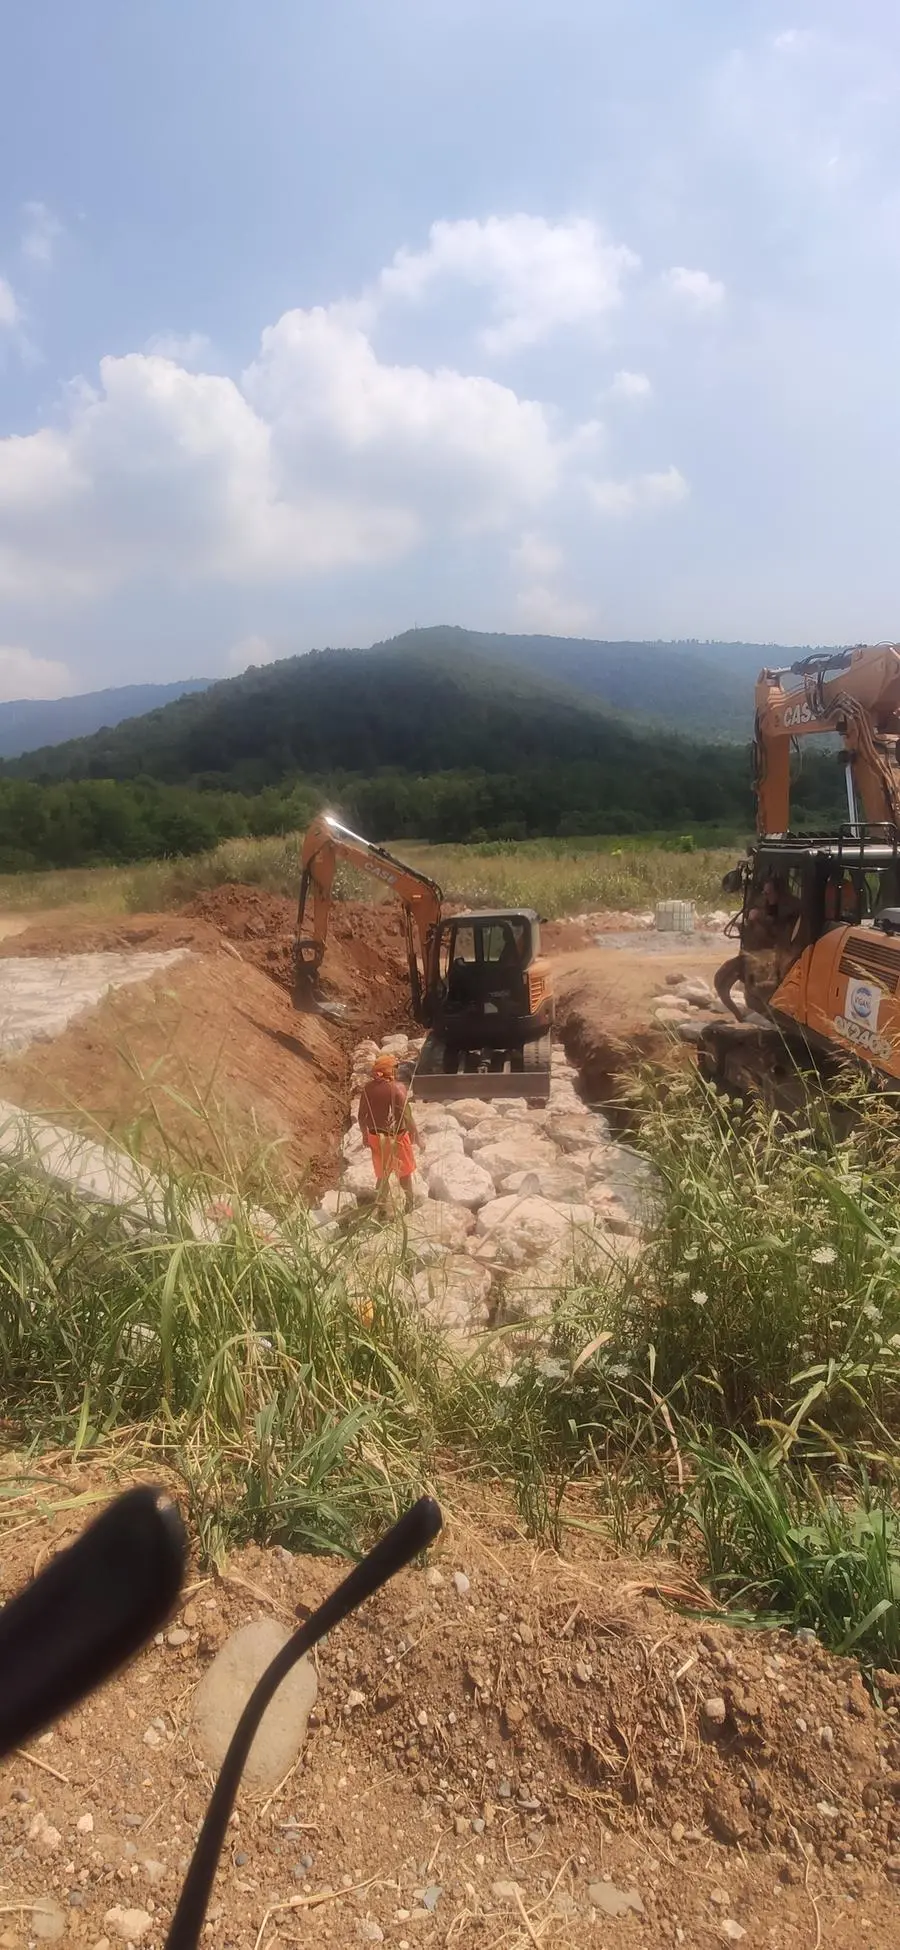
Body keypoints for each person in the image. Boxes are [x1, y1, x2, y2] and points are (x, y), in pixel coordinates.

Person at [357, 1051, 419, 1211]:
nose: (397, 1071)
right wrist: (416, 1136)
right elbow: (407, 1116)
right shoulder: (398, 1088)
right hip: (397, 1137)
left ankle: (381, 1207)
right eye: (395, 1068)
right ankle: (409, 1204)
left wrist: (365, 1136)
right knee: (404, 1174)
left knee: (382, 1174)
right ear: (389, 1070)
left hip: (375, 1136)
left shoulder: (368, 1088)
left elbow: (361, 1116)